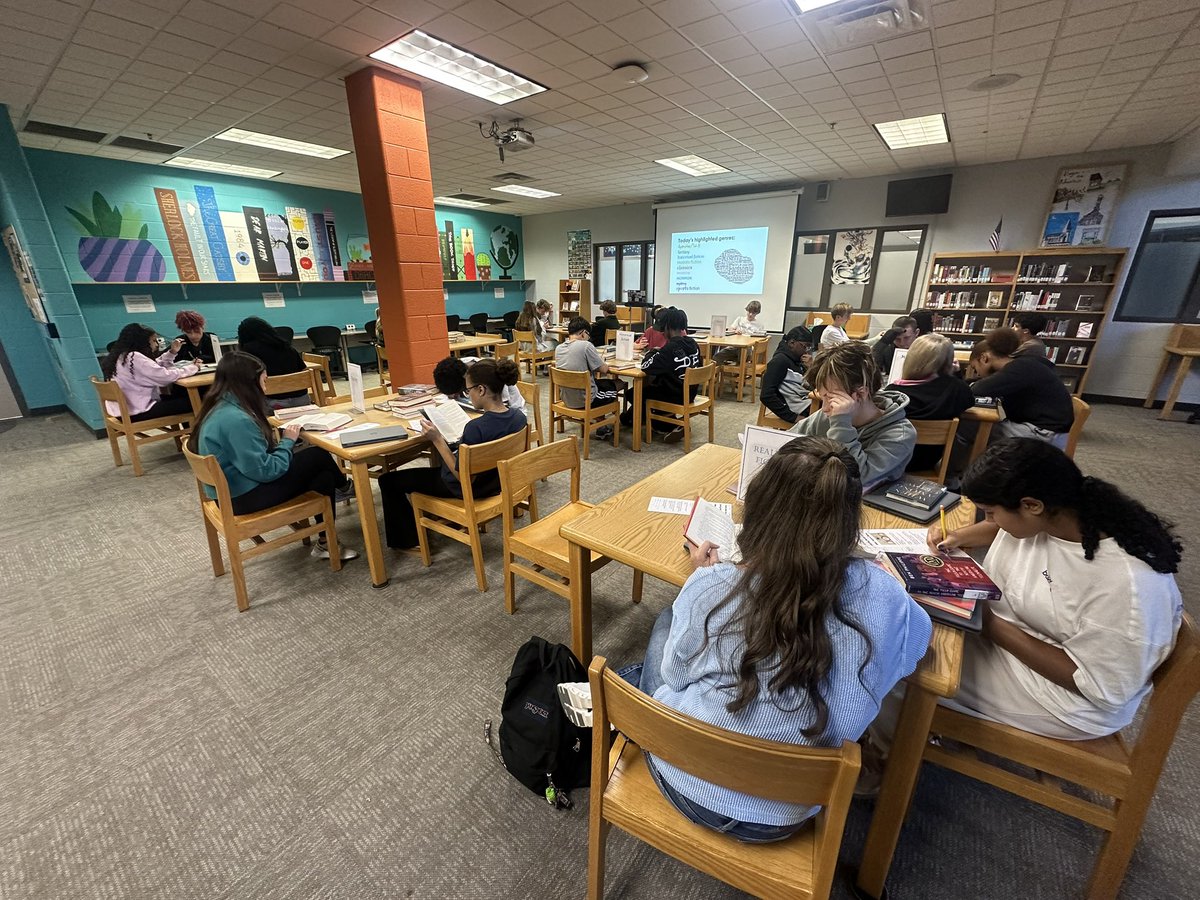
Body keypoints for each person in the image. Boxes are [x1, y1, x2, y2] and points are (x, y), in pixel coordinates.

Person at [622, 437, 932, 841]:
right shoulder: (882, 596)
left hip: (682, 776)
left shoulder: (714, 584)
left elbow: (675, 675)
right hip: (782, 815)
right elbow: (915, 650)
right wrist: (890, 592)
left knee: (666, 626)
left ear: (759, 510)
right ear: (849, 519)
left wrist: (698, 578)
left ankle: (625, 690)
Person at [927, 439, 1182, 739]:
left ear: (1031, 505)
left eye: (990, 512)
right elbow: (1004, 527)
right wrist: (960, 536)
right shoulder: (1063, 515)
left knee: (905, 666)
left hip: (1064, 701)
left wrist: (988, 623)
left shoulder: (1129, 585)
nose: (989, 521)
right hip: (1016, 638)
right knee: (910, 631)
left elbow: (1099, 685)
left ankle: (887, 759)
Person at [192, 351, 357, 560]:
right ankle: (343, 490)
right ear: (249, 383)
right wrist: (287, 441)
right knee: (317, 456)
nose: (266, 388)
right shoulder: (236, 420)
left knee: (321, 474)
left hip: (231, 491)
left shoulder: (219, 407)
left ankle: (330, 529)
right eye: (264, 381)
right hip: (243, 497)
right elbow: (267, 471)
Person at [379, 358, 527, 549]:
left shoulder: (476, 428)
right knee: (443, 461)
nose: (468, 394)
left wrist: (437, 440)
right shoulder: (519, 418)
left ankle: (408, 540)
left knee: (388, 481)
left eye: (468, 390)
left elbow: (462, 477)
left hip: (469, 489)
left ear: (481, 390)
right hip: (496, 482)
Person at [788, 341, 916, 491]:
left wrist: (841, 423)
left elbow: (855, 476)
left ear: (860, 393)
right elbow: (784, 444)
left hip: (868, 509)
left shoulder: (900, 435)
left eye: (832, 399)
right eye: (823, 398)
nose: (824, 408)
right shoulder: (827, 416)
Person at [970, 328, 1073, 448]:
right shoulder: (1022, 364)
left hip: (1042, 434)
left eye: (975, 368)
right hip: (1047, 430)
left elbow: (978, 389)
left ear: (984, 358)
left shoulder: (1018, 369)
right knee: (977, 426)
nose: (977, 374)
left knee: (965, 426)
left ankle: (958, 466)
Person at [888, 333, 975, 473]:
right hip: (929, 463)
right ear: (948, 362)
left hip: (893, 462)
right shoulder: (956, 389)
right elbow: (969, 399)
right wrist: (955, 375)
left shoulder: (893, 392)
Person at [628, 307, 702, 443]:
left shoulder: (670, 348)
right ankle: (653, 420)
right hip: (690, 392)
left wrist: (652, 352)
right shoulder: (693, 344)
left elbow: (646, 366)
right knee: (649, 389)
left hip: (675, 395)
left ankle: (667, 424)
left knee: (633, 394)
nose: (661, 333)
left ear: (668, 328)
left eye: (663, 329)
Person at [101, 323, 200, 419]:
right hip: (137, 411)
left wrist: (172, 352)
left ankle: (186, 433)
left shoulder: (122, 356)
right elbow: (165, 377)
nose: (156, 345)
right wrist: (193, 368)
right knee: (195, 401)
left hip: (123, 411)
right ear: (143, 342)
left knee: (180, 397)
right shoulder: (135, 357)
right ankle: (193, 433)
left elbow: (152, 366)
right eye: (153, 341)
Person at [554, 316, 622, 440]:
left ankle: (600, 421)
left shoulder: (559, 348)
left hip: (566, 397)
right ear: (583, 333)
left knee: (599, 384)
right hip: (586, 399)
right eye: (588, 334)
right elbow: (604, 370)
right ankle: (603, 426)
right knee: (618, 384)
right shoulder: (586, 345)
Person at [236, 316, 310, 409]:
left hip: (272, 403)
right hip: (302, 400)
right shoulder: (287, 347)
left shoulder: (247, 352)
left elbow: (243, 379)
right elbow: (304, 370)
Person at [432, 354, 525, 413]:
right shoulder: (458, 368)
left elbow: (503, 406)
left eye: (456, 393)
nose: (454, 397)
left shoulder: (490, 374)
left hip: (513, 414)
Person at [759, 325, 813, 424]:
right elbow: (766, 395)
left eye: (809, 347)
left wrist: (811, 368)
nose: (807, 351)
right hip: (798, 408)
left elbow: (812, 385)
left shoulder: (798, 360)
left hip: (806, 401)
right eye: (805, 346)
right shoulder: (779, 361)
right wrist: (793, 417)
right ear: (792, 343)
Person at [714, 301, 767, 365]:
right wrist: (735, 331)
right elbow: (730, 329)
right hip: (735, 347)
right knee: (717, 357)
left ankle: (739, 369)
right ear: (747, 310)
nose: (750, 314)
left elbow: (760, 339)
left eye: (753, 313)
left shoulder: (759, 325)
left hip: (748, 349)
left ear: (757, 313)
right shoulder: (740, 319)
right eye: (749, 312)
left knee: (743, 352)